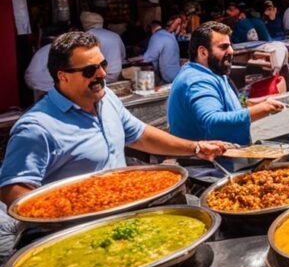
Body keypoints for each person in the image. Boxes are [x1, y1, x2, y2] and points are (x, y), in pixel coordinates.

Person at [0, 32, 227, 206]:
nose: (101, 74)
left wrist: (196, 148)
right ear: (63, 76)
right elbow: (12, 189)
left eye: (102, 65)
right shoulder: (36, 127)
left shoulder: (106, 98)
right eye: (90, 70)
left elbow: (140, 134)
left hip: (125, 209)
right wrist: (68, 212)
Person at [168, 22, 285, 146]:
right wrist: (263, 109)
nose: (231, 51)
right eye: (223, 47)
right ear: (203, 52)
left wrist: (263, 102)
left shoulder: (213, 72)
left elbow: (232, 105)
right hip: (207, 162)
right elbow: (212, 122)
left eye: (230, 46)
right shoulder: (198, 80)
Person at [81, 12, 125, 80]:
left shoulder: (86, 37)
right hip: (117, 72)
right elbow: (123, 56)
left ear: (85, 24)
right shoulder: (115, 35)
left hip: (101, 75)